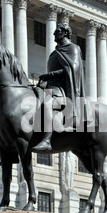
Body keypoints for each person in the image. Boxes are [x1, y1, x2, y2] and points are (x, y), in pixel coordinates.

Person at [33, 23, 86, 151]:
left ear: (65, 33)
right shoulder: (55, 52)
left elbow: (71, 70)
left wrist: (49, 75)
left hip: (62, 90)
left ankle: (46, 141)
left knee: (47, 105)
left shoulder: (73, 48)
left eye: (57, 31)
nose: (53, 34)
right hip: (51, 87)